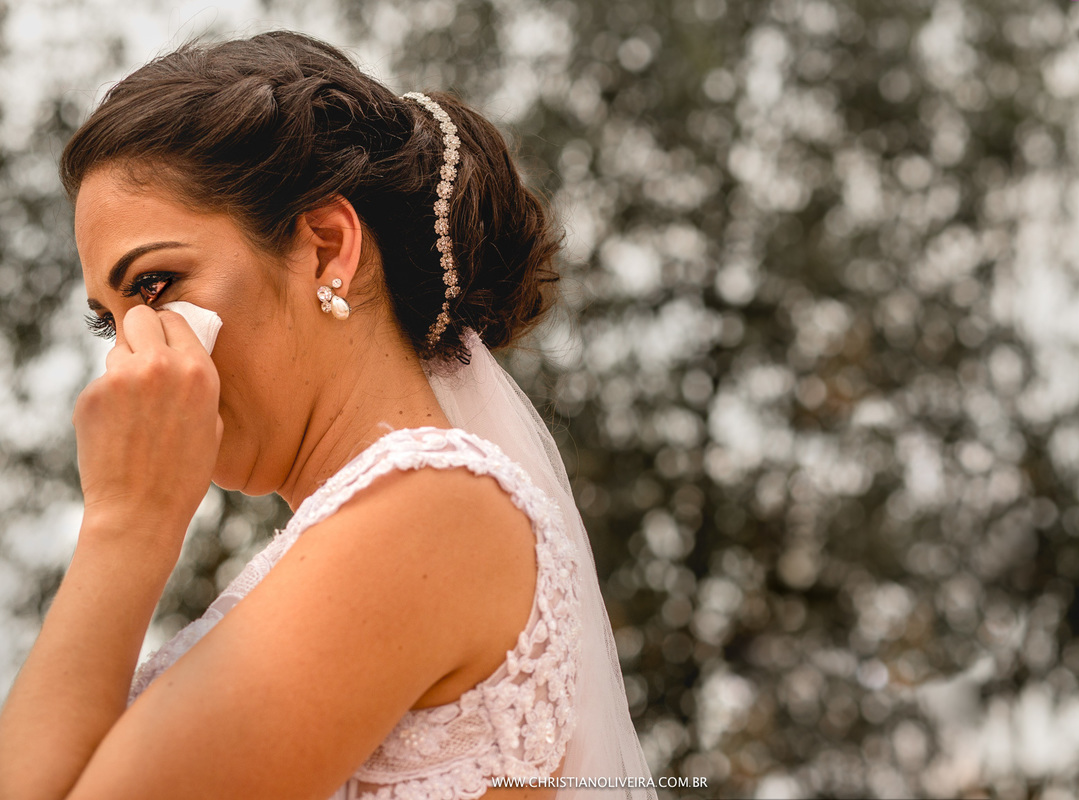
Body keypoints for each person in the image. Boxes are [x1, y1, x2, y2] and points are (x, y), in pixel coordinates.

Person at [0, 30, 657, 800]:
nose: (134, 357)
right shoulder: (370, 534)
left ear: (325, 246)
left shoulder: (433, 511)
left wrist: (128, 522)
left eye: (152, 287)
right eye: (110, 323)